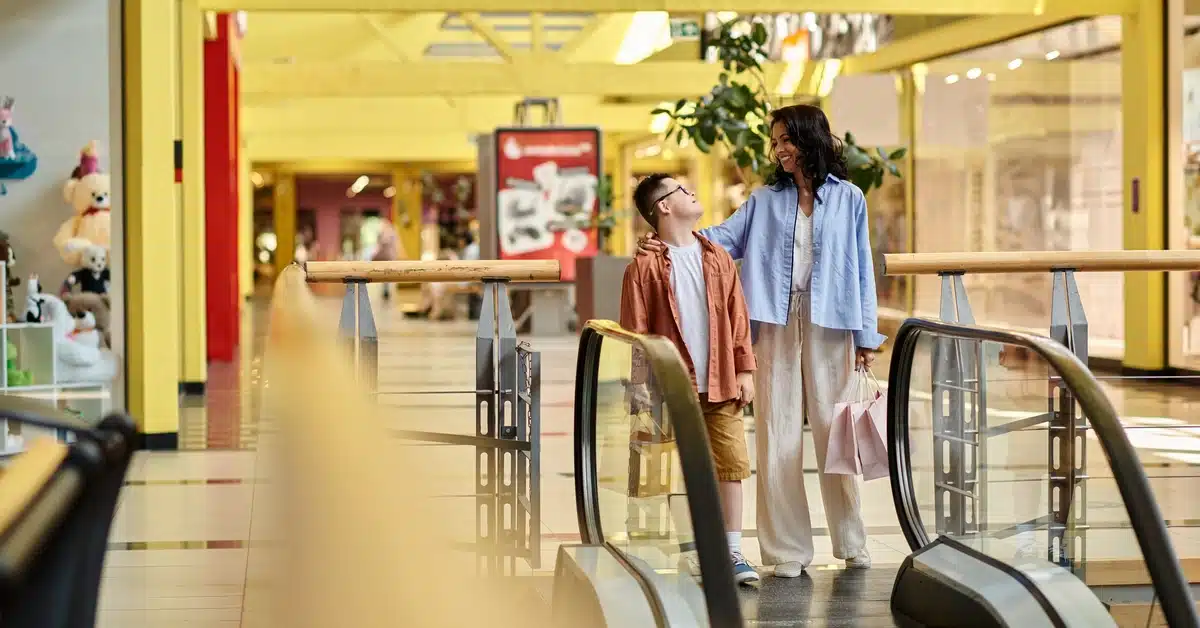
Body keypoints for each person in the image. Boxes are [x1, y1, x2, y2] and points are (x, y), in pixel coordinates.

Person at [637, 104, 884, 577]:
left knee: (834, 431)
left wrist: (866, 334)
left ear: (809, 138)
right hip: (771, 321)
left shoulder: (850, 197)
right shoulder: (764, 200)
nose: (778, 150)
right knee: (777, 432)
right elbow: (718, 240)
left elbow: (861, 267)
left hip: (832, 320)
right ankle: (786, 550)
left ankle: (851, 540)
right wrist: (663, 239)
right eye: (775, 142)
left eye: (785, 140)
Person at [620, 173, 760, 585]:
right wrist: (640, 389)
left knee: (731, 465)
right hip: (670, 387)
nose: (693, 190)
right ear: (664, 206)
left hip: (721, 383)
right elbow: (635, 333)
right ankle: (692, 550)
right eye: (682, 188)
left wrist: (745, 368)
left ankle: (731, 551)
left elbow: (737, 317)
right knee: (669, 471)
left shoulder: (717, 257)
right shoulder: (643, 267)